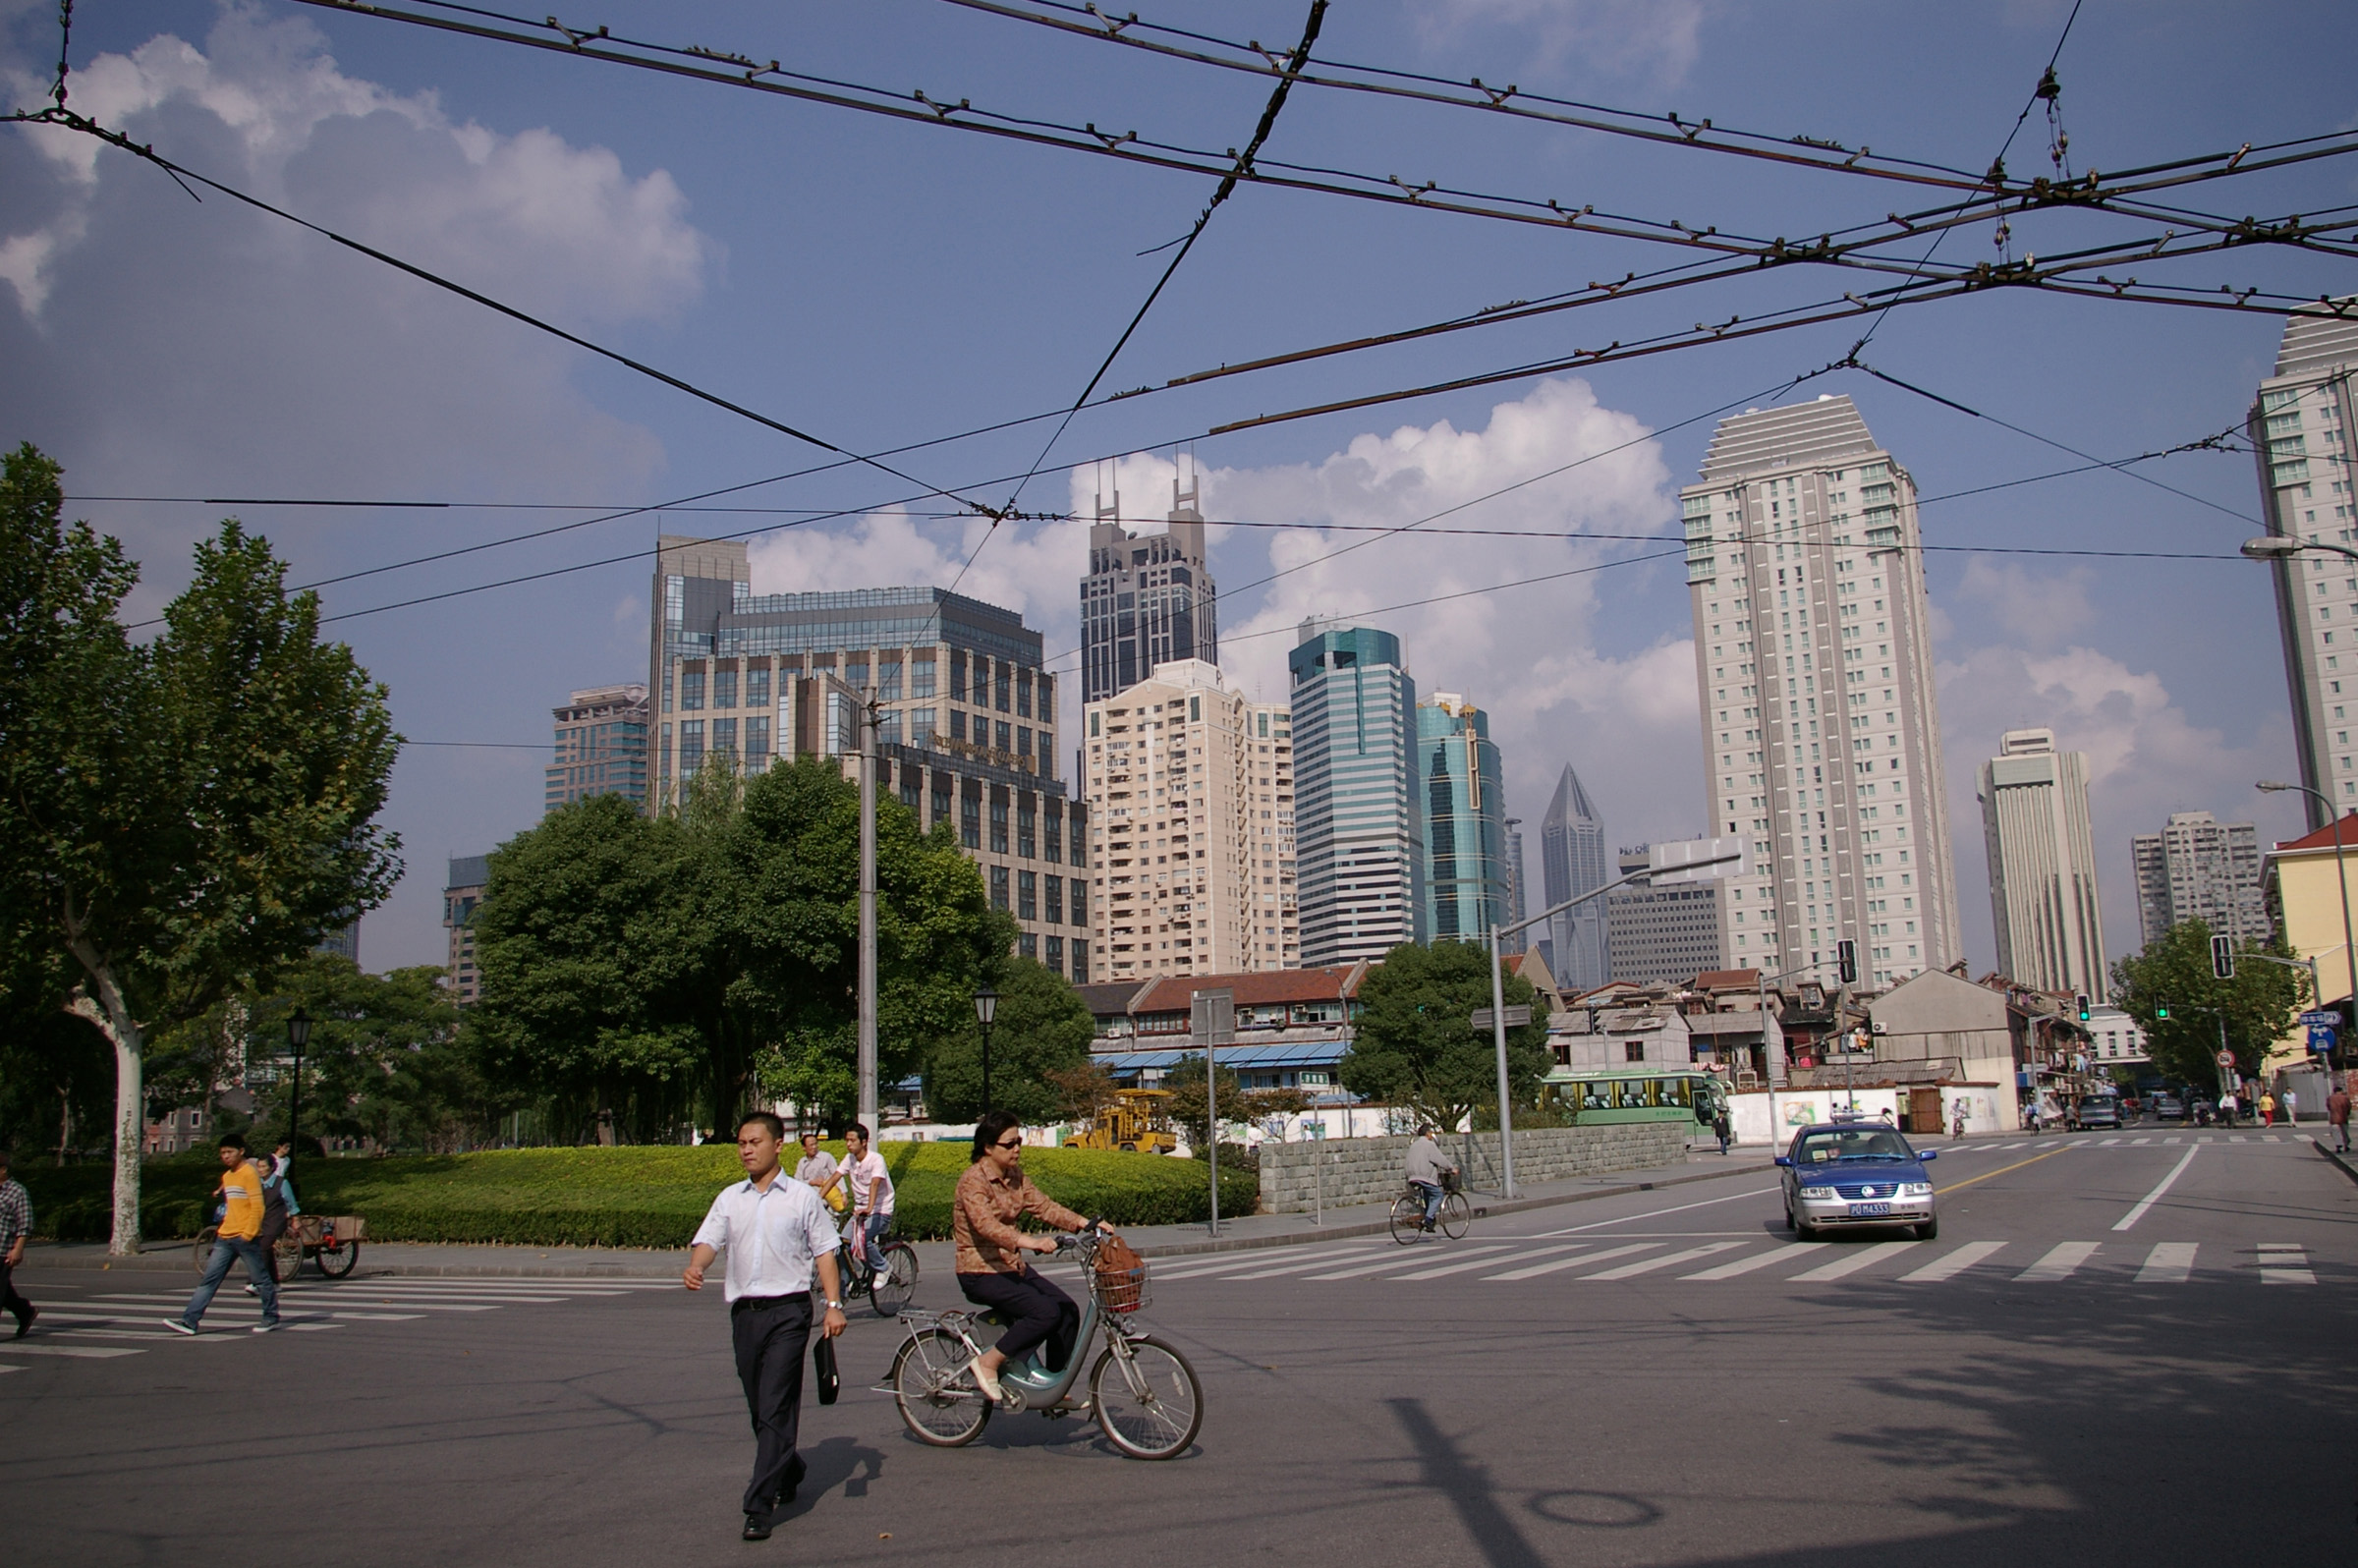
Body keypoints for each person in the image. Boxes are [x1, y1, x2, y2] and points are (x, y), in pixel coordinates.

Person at [685, 1112, 847, 1542]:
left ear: (778, 1145)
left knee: (776, 1404)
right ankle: (789, 1465)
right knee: (760, 1406)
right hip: (745, 1314)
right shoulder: (730, 1198)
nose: (746, 1149)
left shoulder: (801, 1198)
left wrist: (832, 1306)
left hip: (790, 1313)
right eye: (741, 1143)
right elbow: (709, 1241)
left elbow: (825, 1253)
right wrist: (696, 1267)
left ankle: (759, 1504)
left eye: (754, 1142)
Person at [953, 1110, 1106, 1407]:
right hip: (979, 1271)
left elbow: (1044, 1206)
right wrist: (1029, 1242)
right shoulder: (973, 1181)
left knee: (1066, 1309)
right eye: (1009, 1144)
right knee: (1045, 1312)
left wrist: (1085, 1224)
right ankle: (989, 1362)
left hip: (1010, 1267)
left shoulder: (1015, 1177)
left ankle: (1051, 1387)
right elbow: (986, 1225)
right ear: (988, 1147)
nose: (1017, 1149)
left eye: (1018, 1142)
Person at [167, 1134, 279, 1335]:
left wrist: (249, 1232)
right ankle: (189, 1321)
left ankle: (270, 1316)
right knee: (209, 1280)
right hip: (225, 1236)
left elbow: (257, 1206)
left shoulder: (249, 1174)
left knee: (260, 1279)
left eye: (229, 1152)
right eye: (222, 1153)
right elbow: (231, 1206)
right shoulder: (227, 1177)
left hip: (245, 1237)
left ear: (241, 1151)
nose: (226, 1156)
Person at [839, 1122, 895, 1282]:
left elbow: (875, 1183)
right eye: (847, 1140)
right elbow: (835, 1177)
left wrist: (869, 1208)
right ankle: (843, 1292)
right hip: (860, 1211)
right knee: (842, 1246)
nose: (848, 1144)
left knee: (861, 1241)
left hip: (880, 1210)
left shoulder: (876, 1159)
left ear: (864, 1142)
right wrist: (817, 1198)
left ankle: (884, 1267)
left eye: (852, 1140)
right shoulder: (849, 1159)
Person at [247, 1144, 299, 1297]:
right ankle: (275, 1282)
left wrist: (295, 1219)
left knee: (261, 1248)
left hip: (276, 1221)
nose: (260, 1170)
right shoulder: (258, 1184)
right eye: (259, 1167)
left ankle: (255, 1282)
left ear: (271, 1167)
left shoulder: (281, 1183)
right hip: (262, 1221)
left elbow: (291, 1203)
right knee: (266, 1250)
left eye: (263, 1167)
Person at [0, 1149, 34, 1340]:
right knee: (3, 1291)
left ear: (3, 1170)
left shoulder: (17, 1192)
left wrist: (18, 1249)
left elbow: (25, 1224)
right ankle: (24, 1312)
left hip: (3, 1251)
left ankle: (24, 1312)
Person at [1405, 1125, 1457, 1232]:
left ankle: (1427, 1217)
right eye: (1431, 1132)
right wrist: (1452, 1168)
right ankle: (1428, 1220)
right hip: (1424, 1176)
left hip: (1411, 1176)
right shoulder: (1429, 1145)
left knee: (1427, 1194)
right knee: (1438, 1195)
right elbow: (1440, 1159)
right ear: (1428, 1133)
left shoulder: (1413, 1145)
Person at [2329, 1080, 2351, 1154]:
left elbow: (2329, 1107)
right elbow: (2348, 1107)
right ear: (2340, 1091)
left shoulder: (2330, 1098)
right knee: (2345, 1132)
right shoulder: (2345, 1098)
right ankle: (2346, 1145)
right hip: (2343, 1117)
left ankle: (2338, 1145)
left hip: (2334, 1118)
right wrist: (2347, 1113)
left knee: (2336, 1133)